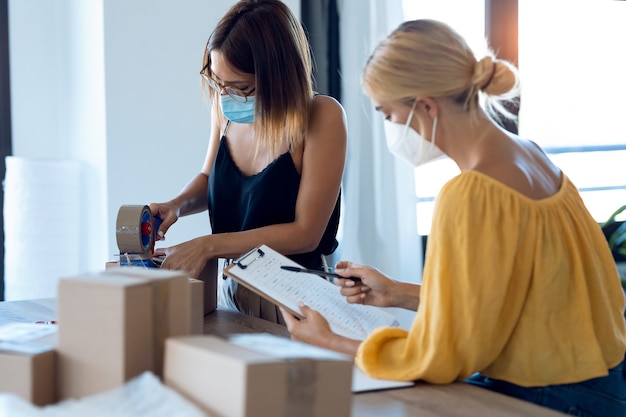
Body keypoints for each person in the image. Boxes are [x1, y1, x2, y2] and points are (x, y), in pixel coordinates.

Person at [281, 19, 626, 416]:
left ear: (426, 106)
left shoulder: (471, 194)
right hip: (605, 386)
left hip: (547, 398)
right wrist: (397, 292)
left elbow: (442, 357)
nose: (391, 130)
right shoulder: (532, 155)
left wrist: (332, 342)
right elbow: (517, 297)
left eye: (389, 116)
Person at [150, 0, 347, 324]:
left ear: (277, 76)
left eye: (240, 87)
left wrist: (208, 246)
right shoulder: (224, 110)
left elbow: (306, 233)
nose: (225, 95)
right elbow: (208, 177)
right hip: (233, 290)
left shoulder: (321, 118)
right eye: (218, 82)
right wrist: (177, 206)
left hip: (298, 301)